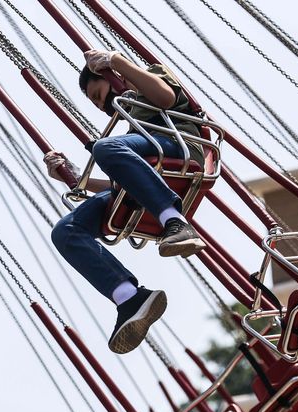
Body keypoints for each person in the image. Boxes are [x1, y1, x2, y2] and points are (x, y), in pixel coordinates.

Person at [44, 49, 206, 354]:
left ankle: (175, 221)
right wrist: (76, 179)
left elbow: (167, 99)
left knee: (105, 148)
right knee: (65, 231)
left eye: (97, 92)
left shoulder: (149, 77)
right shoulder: (131, 132)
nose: (99, 103)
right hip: (153, 161)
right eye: (93, 101)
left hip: (178, 145)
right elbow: (123, 183)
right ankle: (129, 297)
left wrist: (116, 61)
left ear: (112, 77)